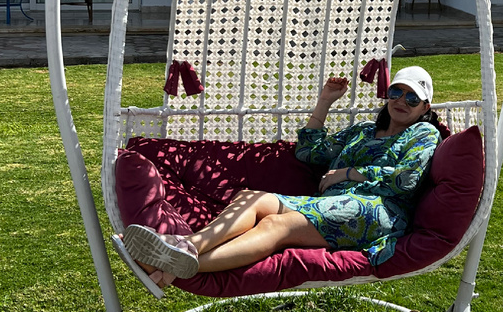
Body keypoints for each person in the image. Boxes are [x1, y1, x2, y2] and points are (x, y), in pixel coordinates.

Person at [122, 65, 441, 279]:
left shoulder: (423, 134)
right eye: (396, 92)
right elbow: (308, 152)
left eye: (412, 97)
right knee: (251, 198)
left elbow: (406, 179)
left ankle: (172, 267)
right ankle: (186, 249)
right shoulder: (362, 131)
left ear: (425, 107)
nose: (402, 100)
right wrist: (324, 102)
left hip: (377, 211)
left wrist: (348, 174)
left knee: (277, 225)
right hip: (331, 204)